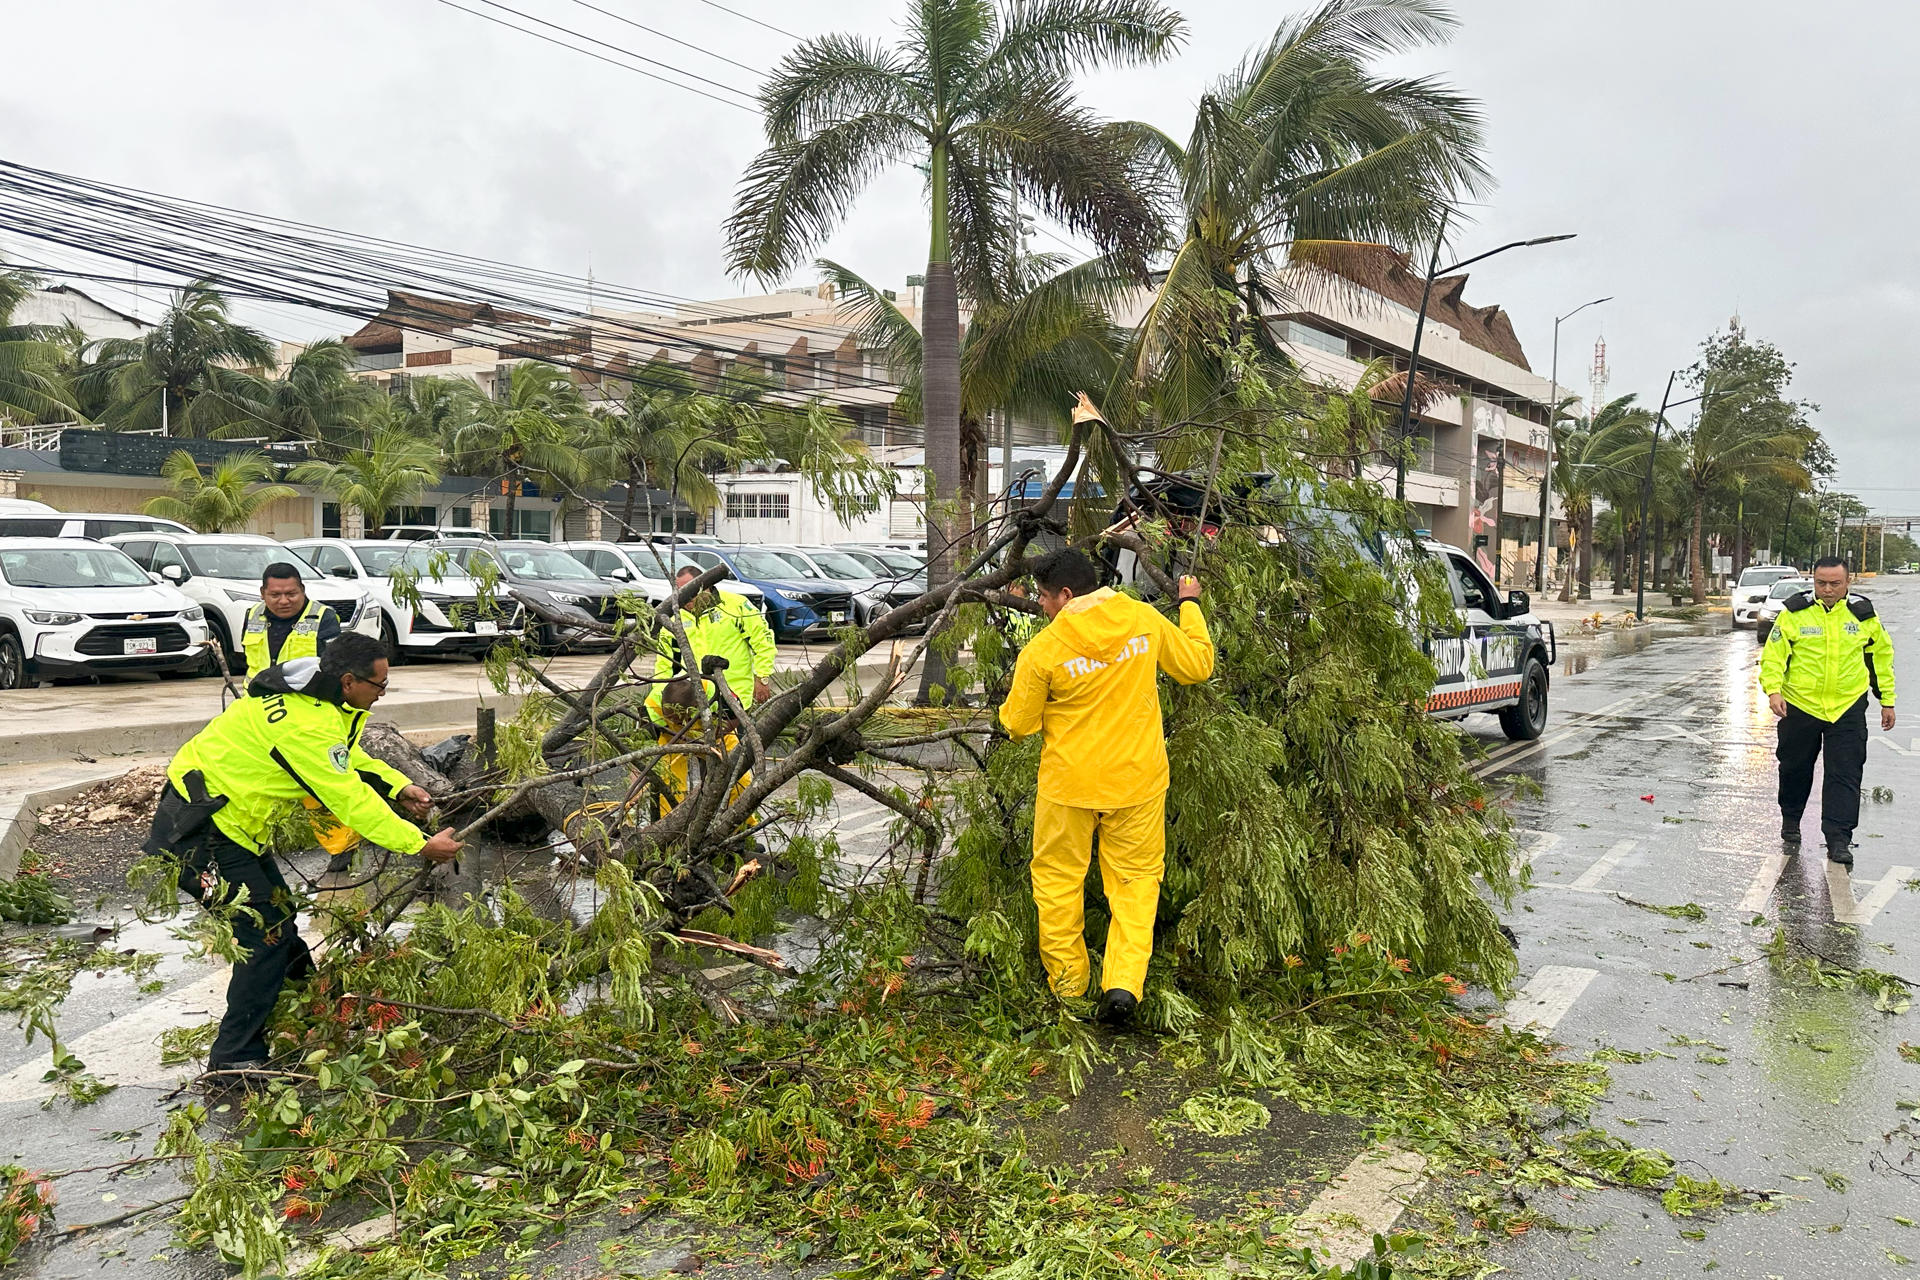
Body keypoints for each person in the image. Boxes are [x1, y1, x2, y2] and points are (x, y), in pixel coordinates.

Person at [143, 633, 463, 1075]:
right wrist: (420, 844)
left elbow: (346, 758)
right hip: (199, 834)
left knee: (278, 914)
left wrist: (396, 784)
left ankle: (311, 1010)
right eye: (380, 686)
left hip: (230, 826)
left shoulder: (318, 691)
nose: (383, 695)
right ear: (349, 681)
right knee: (263, 938)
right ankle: (235, 1058)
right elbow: (346, 795)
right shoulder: (304, 724)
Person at [997, 548, 1215, 1025]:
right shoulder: (1142, 620)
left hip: (1068, 787)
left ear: (1067, 595)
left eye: (1044, 597)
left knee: (1057, 884)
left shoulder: (1044, 651)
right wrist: (1189, 603)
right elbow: (1197, 665)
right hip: (1137, 782)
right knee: (1136, 883)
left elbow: (1018, 723)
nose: (1041, 605)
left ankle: (1069, 988)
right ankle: (1122, 986)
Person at [1759, 556, 1896, 866]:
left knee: (1845, 773)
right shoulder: (1795, 612)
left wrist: (1886, 699)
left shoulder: (1863, 614)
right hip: (1800, 705)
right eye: (1821, 583)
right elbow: (1774, 655)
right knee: (1794, 767)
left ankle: (1838, 838)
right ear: (1814, 582)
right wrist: (1773, 690)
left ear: (1848, 582)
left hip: (1846, 707)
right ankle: (1791, 819)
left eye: (1835, 583)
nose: (1828, 589)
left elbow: (1881, 657)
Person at [645, 565, 777, 811]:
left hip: (731, 700)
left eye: (690, 593)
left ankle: (733, 826)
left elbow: (763, 641)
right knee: (670, 766)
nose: (687, 601)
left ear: (706, 586)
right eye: (680, 594)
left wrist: (763, 677)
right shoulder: (675, 618)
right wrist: (660, 706)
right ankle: (669, 825)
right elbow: (664, 664)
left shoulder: (736, 606)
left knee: (725, 771)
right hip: (688, 703)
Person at [242, 562, 340, 674]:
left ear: (302, 590)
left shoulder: (324, 618)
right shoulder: (253, 615)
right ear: (262, 593)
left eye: (291, 594)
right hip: (256, 691)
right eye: (275, 595)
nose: (284, 601)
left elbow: (335, 668)